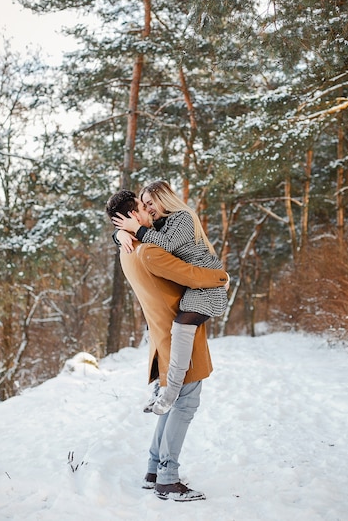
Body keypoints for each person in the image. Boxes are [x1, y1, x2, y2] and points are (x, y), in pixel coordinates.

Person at [105, 189, 229, 502]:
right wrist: (221, 278)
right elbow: (191, 275)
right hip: (178, 338)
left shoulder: (128, 249)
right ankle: (168, 479)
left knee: (171, 404)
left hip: (163, 337)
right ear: (133, 216)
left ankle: (152, 469)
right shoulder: (148, 251)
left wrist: (120, 234)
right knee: (184, 405)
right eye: (143, 209)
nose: (150, 213)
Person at [112, 180, 228, 415]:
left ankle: (170, 391)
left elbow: (165, 245)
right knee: (169, 329)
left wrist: (136, 229)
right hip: (194, 285)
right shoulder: (159, 223)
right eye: (144, 204)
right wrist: (119, 233)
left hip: (208, 284)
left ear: (163, 198)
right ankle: (163, 385)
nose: (148, 208)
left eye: (150, 202)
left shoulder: (182, 217)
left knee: (181, 326)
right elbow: (145, 233)